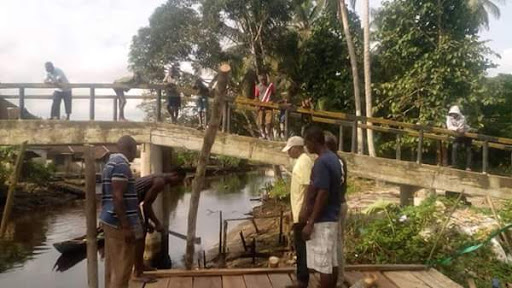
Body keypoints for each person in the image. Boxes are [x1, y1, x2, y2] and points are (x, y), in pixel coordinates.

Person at [99, 135, 143, 288]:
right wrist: (126, 226)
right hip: (118, 224)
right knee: (123, 269)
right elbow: (118, 197)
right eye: (136, 149)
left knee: (112, 267)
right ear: (131, 148)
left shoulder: (110, 163)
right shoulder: (121, 165)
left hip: (109, 221)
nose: (136, 153)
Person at [301, 126, 342, 288]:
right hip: (332, 217)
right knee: (331, 262)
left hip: (323, 220)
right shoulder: (333, 158)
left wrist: (310, 222)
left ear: (312, 141)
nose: (306, 147)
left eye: (306, 143)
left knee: (323, 265)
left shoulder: (322, 162)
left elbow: (323, 193)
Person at [132, 169, 186, 282]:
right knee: (139, 237)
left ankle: (140, 266)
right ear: (174, 174)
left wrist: (148, 224)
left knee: (142, 233)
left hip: (133, 202)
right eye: (179, 180)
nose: (177, 184)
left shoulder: (160, 178)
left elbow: (145, 203)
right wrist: (157, 223)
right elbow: (146, 205)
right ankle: (137, 272)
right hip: (130, 203)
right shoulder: (160, 182)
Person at [282, 136, 314, 288]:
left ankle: (302, 280)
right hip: (297, 212)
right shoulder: (300, 161)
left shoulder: (304, 161)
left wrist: (303, 209)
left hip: (301, 213)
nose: (288, 153)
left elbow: (308, 186)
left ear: (298, 148)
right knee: (299, 246)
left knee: (301, 247)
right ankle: (301, 277)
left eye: (290, 150)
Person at [324, 132, 349, 288]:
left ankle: (338, 279)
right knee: (336, 242)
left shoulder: (333, 162)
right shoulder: (340, 160)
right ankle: (337, 276)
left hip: (336, 206)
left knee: (336, 243)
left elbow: (330, 188)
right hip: (341, 203)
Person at [446, 105, 472, 170]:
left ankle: (468, 166)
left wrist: (455, 129)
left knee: (468, 149)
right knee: (455, 147)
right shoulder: (449, 118)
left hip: (466, 134)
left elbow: (461, 128)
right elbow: (449, 127)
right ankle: (454, 164)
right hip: (458, 134)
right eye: (452, 113)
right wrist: (456, 129)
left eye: (454, 113)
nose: (453, 115)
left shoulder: (463, 118)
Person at [254, 73, 275, 140]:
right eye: (262, 79)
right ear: (260, 80)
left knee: (269, 121)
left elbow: (274, 94)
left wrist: (272, 101)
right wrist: (257, 104)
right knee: (261, 121)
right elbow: (256, 96)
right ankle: (263, 134)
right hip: (261, 107)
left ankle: (268, 134)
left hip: (269, 106)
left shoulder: (270, 86)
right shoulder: (257, 87)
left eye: (264, 79)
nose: (263, 81)